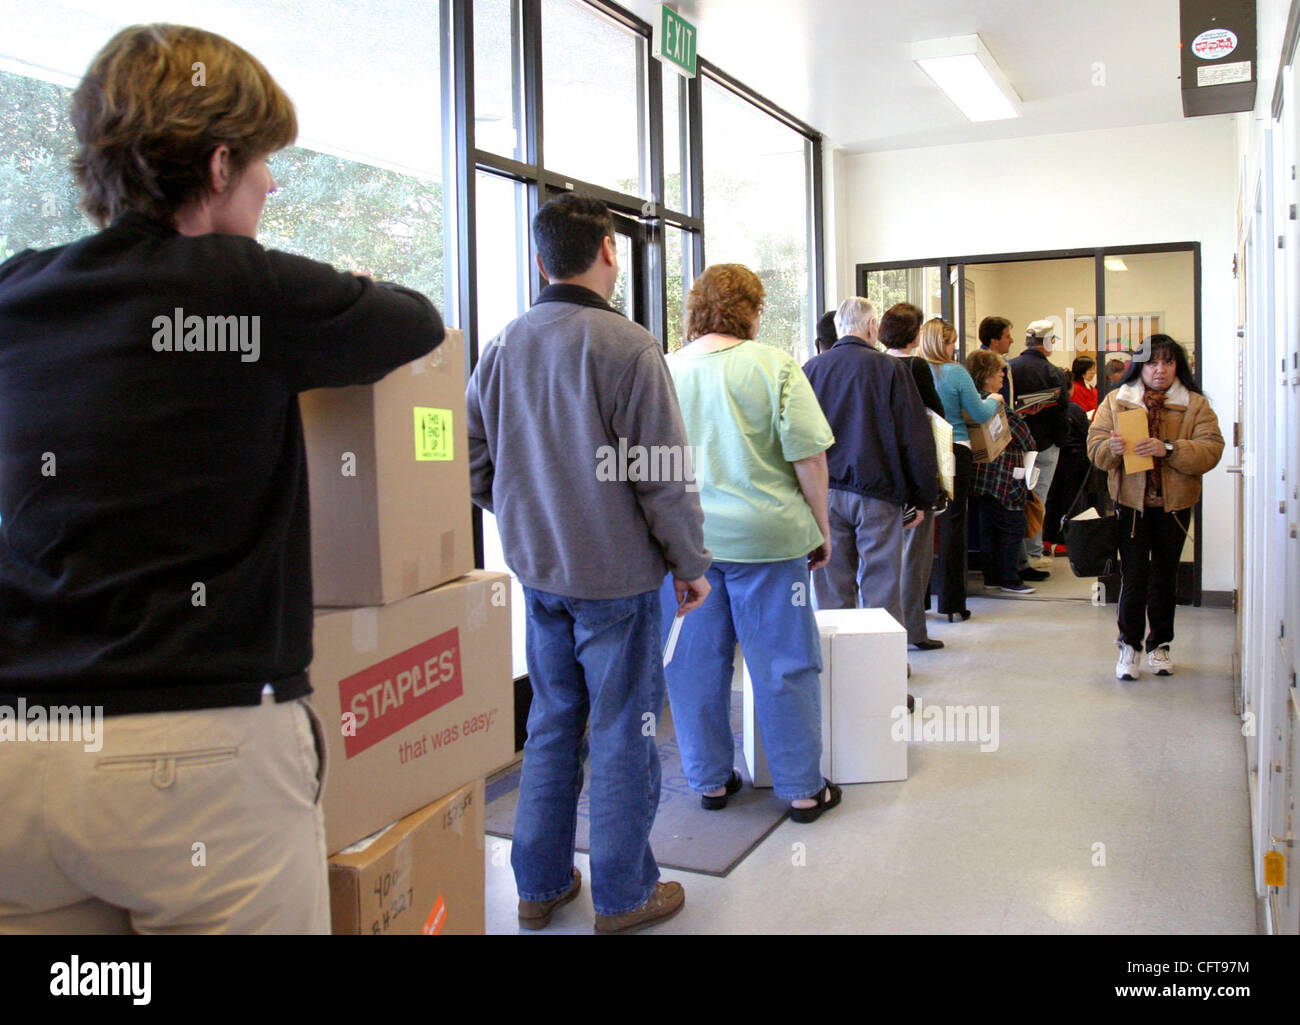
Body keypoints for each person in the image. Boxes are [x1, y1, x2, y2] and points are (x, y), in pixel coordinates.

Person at [0, 24, 445, 934]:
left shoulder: (17, 291)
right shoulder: (249, 288)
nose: (273, 185)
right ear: (215, 166)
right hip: (194, 759)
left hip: (22, 756)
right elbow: (414, 321)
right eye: (263, 165)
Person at [466, 193, 711, 935]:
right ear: (610, 251)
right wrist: (689, 563)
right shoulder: (628, 347)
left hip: (539, 575)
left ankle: (538, 887)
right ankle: (625, 894)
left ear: (542, 260)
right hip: (617, 579)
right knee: (624, 730)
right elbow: (662, 475)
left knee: (551, 725)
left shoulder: (503, 345)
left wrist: (524, 513)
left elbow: (474, 462)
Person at [658, 264, 841, 823]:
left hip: (690, 547)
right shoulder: (775, 366)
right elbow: (809, 457)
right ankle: (802, 789)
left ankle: (710, 782)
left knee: (692, 666)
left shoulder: (665, 370)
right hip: (769, 540)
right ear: (752, 310)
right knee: (783, 662)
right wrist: (821, 528)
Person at [1087, 335, 1224, 681]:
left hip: (1174, 506)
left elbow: (1211, 449)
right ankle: (1128, 646)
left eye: (1167, 362)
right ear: (1139, 366)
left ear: (1179, 366)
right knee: (1133, 576)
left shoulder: (1194, 405)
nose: (1159, 370)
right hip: (1131, 506)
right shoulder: (1117, 401)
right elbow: (1095, 449)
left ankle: (1160, 644)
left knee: (1165, 575)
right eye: (1151, 363)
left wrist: (1170, 449)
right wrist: (1113, 448)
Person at [804, 298, 942, 636]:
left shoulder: (811, 370)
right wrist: (923, 497)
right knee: (881, 586)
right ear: (871, 327)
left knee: (831, 585)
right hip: (878, 492)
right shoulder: (890, 369)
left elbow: (797, 436)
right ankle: (883, 675)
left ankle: (839, 671)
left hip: (825, 492)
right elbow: (914, 435)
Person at [921, 318, 1001, 621]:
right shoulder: (956, 373)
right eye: (952, 342)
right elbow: (979, 412)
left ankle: (921, 599)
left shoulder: (914, 370)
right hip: (956, 450)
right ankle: (953, 603)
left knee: (925, 524)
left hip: (925, 452)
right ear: (943, 343)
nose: (955, 348)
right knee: (955, 524)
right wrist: (994, 400)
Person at [879, 302, 947, 650]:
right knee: (915, 556)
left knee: (885, 561)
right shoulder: (916, 366)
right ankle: (914, 631)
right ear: (915, 334)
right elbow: (936, 415)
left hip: (884, 475)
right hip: (915, 470)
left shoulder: (876, 364)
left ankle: (885, 634)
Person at [965, 350, 1038, 595]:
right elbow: (1024, 438)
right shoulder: (996, 404)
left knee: (988, 527)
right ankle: (1010, 578)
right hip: (1004, 476)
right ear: (986, 376)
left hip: (981, 476)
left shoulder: (972, 401)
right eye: (999, 372)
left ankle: (992, 576)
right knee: (1012, 525)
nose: (1002, 377)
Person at [1009, 319, 1072, 574]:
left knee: (1015, 498)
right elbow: (1062, 411)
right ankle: (1033, 552)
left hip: (1014, 445)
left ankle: (1019, 554)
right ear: (1047, 342)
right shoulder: (1054, 373)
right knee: (1038, 498)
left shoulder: (1009, 367)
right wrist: (1059, 440)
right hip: (1045, 445)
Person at [977, 315, 1015, 404]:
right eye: (1007, 337)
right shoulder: (986, 365)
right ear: (994, 341)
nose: (1011, 341)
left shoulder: (998, 362)